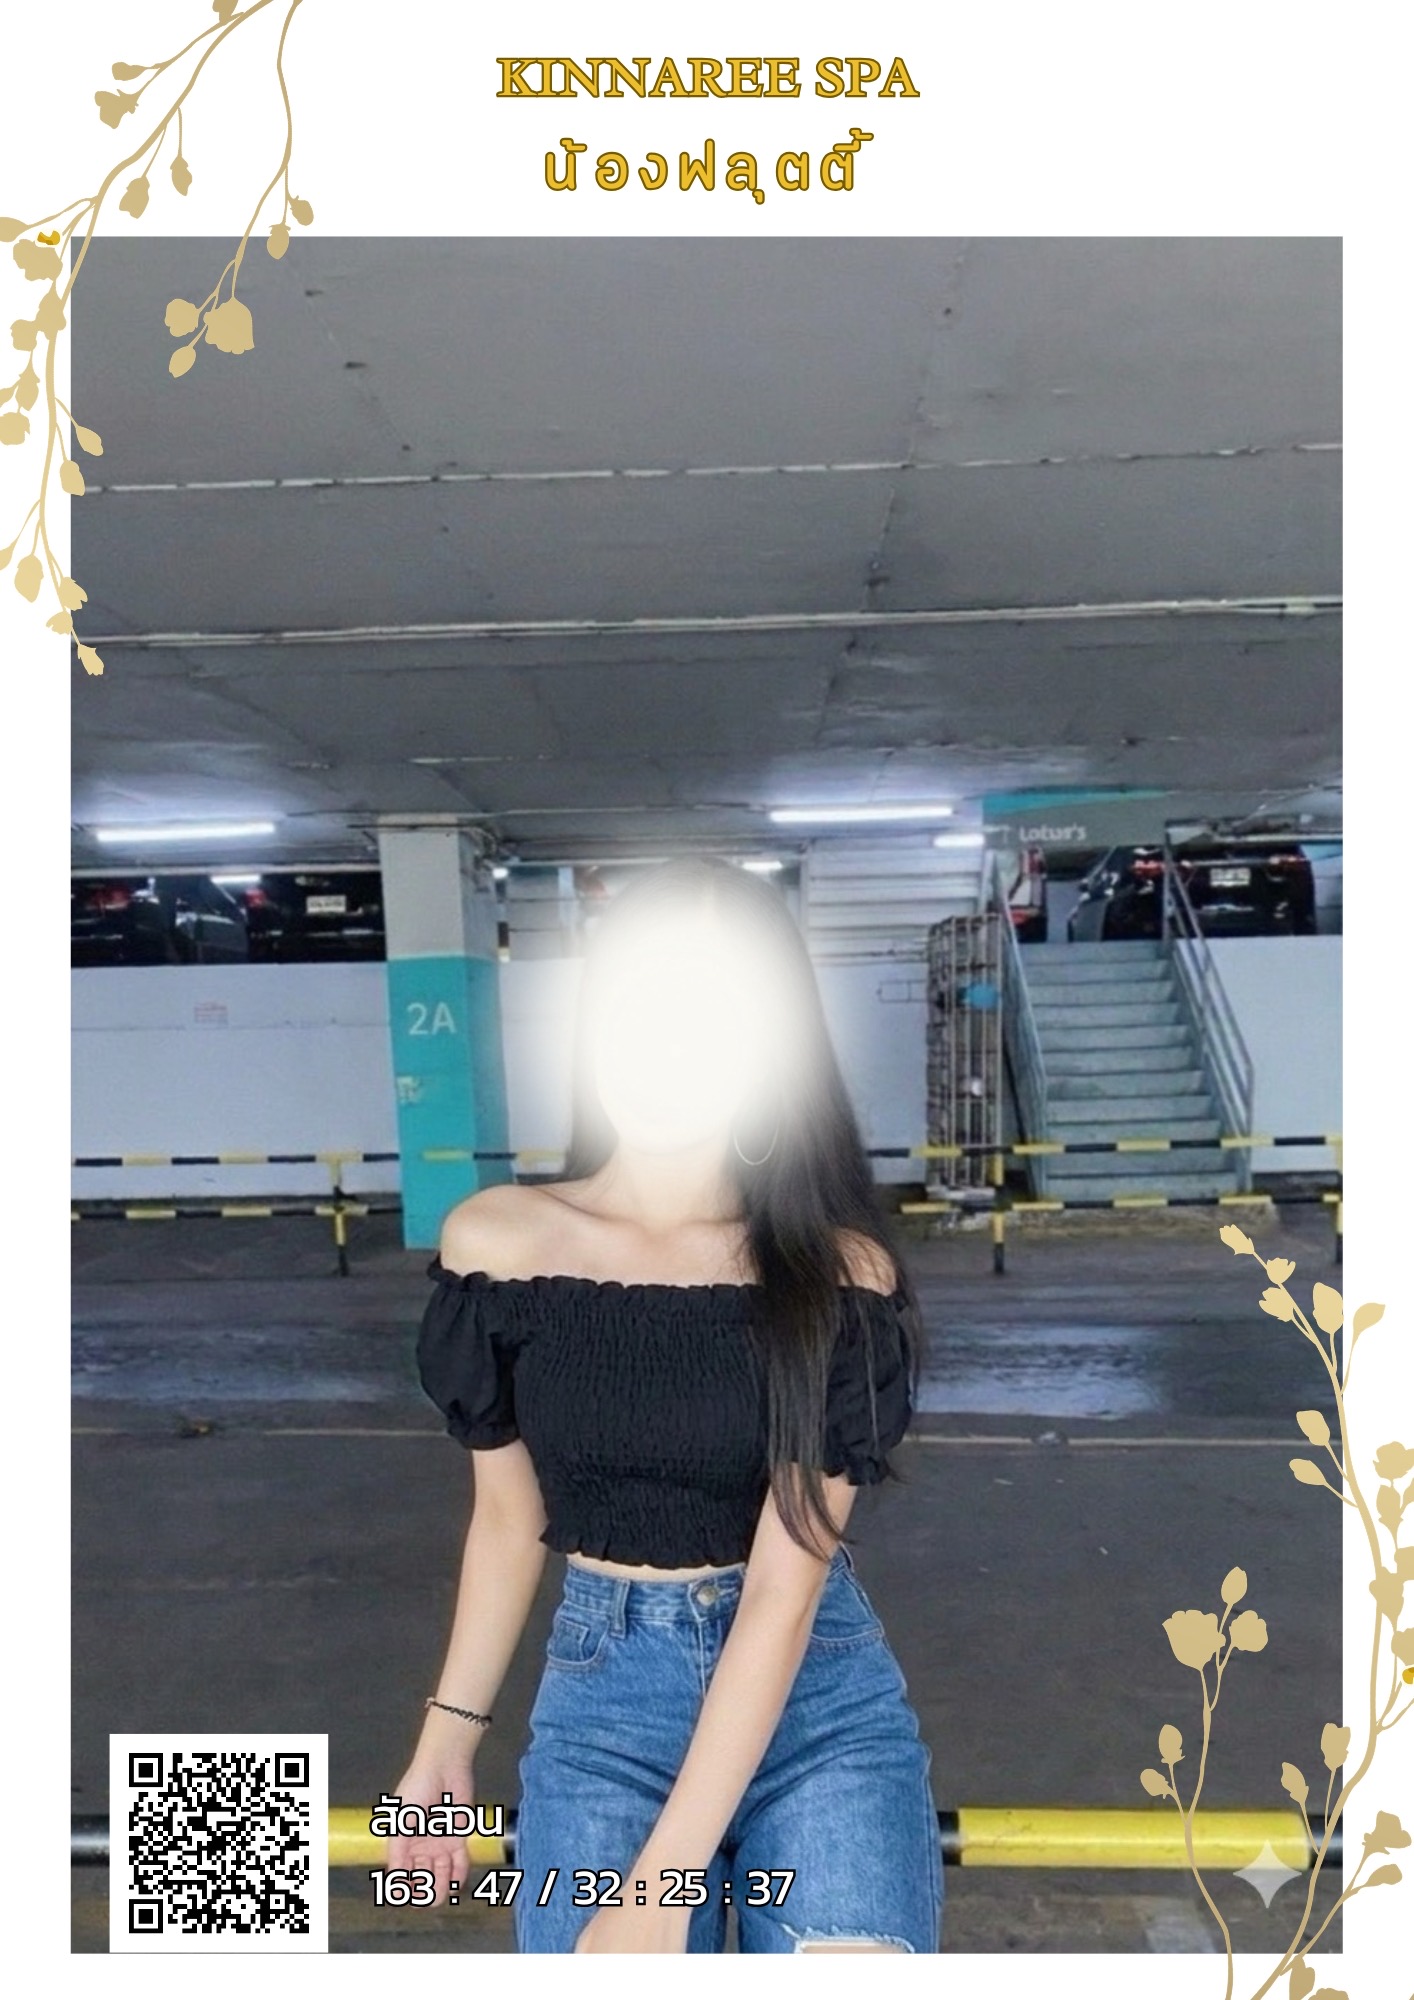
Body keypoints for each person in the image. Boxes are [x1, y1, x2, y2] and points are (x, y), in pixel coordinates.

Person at [390, 854, 942, 1953]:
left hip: (817, 1707)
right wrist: (446, 1737)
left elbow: (783, 1591)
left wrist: (661, 1885)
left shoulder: (838, 1276)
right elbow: (507, 1515)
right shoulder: (500, 1242)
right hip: (604, 1704)